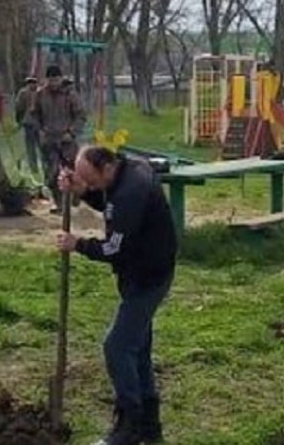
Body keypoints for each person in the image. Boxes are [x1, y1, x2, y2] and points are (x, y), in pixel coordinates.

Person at [55, 146, 177, 445]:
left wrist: (77, 244)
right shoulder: (124, 172)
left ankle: (129, 426)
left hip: (148, 279)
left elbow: (115, 248)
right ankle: (150, 427)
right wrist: (82, 190)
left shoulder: (131, 192)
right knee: (138, 352)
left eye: (91, 179)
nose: (90, 184)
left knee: (117, 346)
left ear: (107, 167)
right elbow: (108, 203)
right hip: (143, 272)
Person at [31, 64, 86, 214]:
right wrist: (40, 131)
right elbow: (34, 115)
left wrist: (72, 132)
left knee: (72, 171)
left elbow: (81, 116)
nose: (53, 83)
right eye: (50, 80)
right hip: (48, 140)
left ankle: (76, 197)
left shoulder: (70, 95)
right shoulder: (40, 94)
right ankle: (59, 204)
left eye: (56, 80)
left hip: (67, 140)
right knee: (52, 174)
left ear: (61, 79)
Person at [14, 76, 41, 175]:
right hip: (38, 124)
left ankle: (34, 169)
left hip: (29, 123)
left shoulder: (23, 93)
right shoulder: (40, 92)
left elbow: (18, 107)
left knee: (31, 147)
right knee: (39, 147)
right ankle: (40, 167)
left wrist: (19, 120)